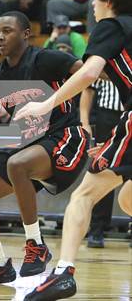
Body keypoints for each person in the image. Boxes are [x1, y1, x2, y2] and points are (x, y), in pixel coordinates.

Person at [0, 11, 88, 284]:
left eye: (8, 31)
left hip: (65, 136)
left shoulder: (47, 59)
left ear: (26, 34)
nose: (0, 36)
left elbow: (88, 72)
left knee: (17, 164)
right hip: (31, 144)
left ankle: (36, 245)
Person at [15, 0, 132, 299]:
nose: (92, 4)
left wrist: (46, 105)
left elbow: (89, 72)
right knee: (128, 200)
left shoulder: (111, 26)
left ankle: (63, 272)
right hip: (125, 121)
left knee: (83, 194)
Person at [80, 78, 123, 248]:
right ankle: (96, 229)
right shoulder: (106, 56)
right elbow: (88, 89)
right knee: (103, 170)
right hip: (108, 116)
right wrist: (84, 122)